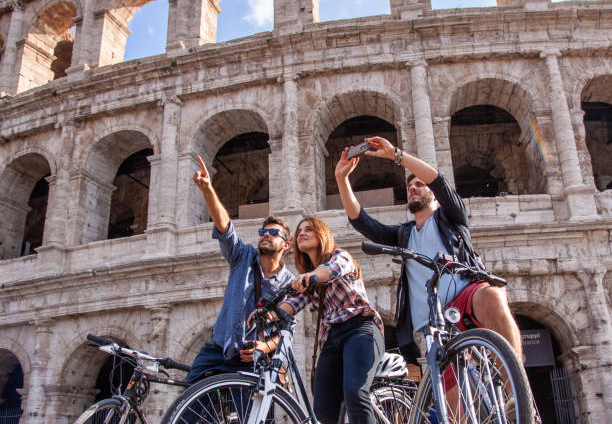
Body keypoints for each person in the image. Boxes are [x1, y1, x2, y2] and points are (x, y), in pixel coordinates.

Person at [334, 136, 523, 361]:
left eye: (419, 184)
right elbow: (361, 221)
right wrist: (341, 178)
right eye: (409, 186)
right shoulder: (403, 235)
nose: (412, 188)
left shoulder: (452, 217)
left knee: (492, 295)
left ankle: (516, 391)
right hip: (433, 322)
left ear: (433, 194)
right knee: (449, 395)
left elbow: (439, 181)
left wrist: (397, 155)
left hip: (466, 296)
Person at [186, 155, 295, 384]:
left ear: (286, 244)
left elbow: (286, 330)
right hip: (217, 348)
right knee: (188, 404)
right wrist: (208, 190)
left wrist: (264, 346)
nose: (266, 234)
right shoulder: (242, 256)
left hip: (250, 358)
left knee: (249, 416)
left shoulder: (289, 283)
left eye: (274, 233)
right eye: (263, 231)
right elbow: (225, 227)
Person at [276, 216, 384, 424]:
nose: (301, 234)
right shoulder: (310, 278)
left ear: (322, 234)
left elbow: (330, 270)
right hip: (331, 340)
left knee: (355, 392)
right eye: (298, 232)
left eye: (308, 229)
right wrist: (268, 314)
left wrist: (313, 276)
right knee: (322, 409)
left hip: (360, 328)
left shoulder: (341, 257)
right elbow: (293, 303)